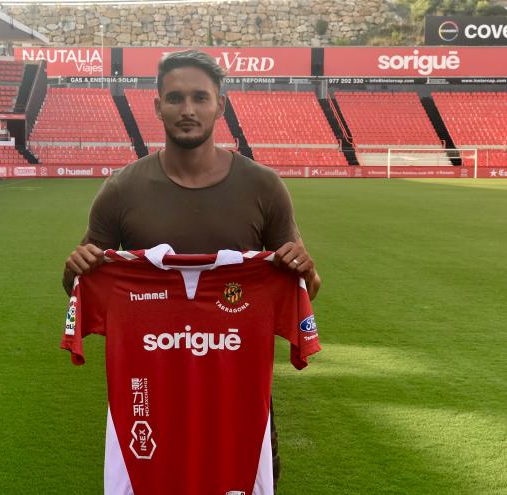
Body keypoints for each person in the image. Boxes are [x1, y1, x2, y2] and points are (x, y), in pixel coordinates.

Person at [62, 49, 321, 493]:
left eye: (200, 98)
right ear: (157, 105)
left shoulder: (263, 186)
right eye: (175, 98)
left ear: (220, 105)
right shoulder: (121, 189)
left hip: (237, 395)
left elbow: (302, 288)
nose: (187, 110)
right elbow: (81, 286)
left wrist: (305, 271)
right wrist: (75, 269)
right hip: (150, 393)